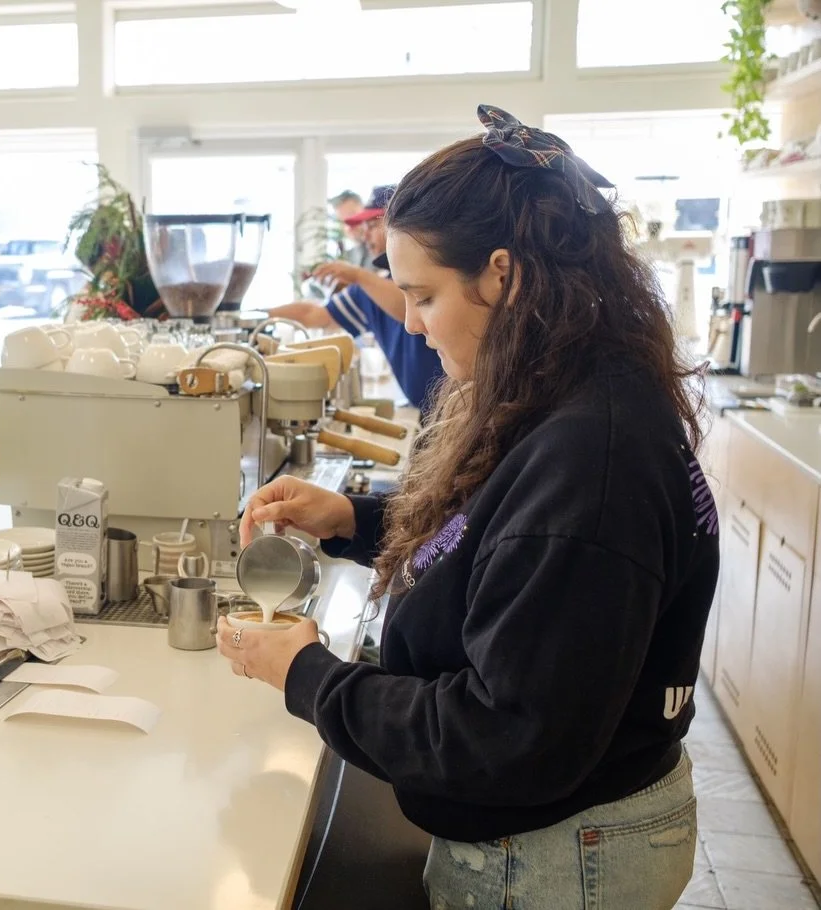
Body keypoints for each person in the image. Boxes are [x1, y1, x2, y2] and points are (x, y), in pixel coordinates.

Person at [219, 105, 718, 909]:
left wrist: (306, 675)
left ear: (503, 274)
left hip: (557, 861)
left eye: (420, 295)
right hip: (559, 836)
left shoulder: (590, 460)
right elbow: (505, 551)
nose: (410, 323)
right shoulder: (573, 392)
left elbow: (502, 736)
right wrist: (355, 520)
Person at [272, 186, 445, 412]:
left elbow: (404, 307)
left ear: (402, 224)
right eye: (363, 227)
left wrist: (357, 275)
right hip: (423, 411)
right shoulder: (367, 289)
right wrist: (259, 315)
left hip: (454, 408)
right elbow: (314, 314)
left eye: (372, 225)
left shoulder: (421, 276)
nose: (365, 234)